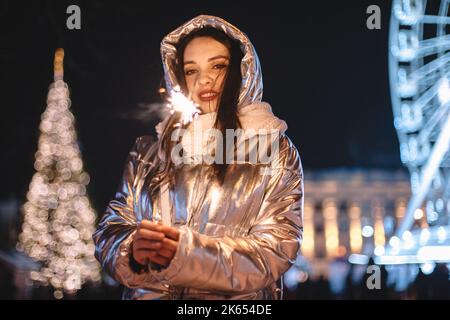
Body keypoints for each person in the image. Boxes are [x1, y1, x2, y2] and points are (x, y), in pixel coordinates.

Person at [93, 15, 304, 300]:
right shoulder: (149, 152)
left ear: (242, 70)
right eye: (191, 71)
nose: (204, 79)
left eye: (218, 66)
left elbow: (276, 249)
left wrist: (184, 254)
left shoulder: (272, 149)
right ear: (178, 78)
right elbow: (110, 228)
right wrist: (131, 249)